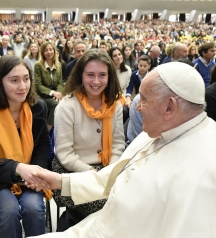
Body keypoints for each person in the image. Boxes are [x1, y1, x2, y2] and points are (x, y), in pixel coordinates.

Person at [29, 62, 216, 238]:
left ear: (169, 107)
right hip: (97, 226)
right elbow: (115, 175)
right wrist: (60, 181)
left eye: (144, 99)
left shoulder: (205, 171)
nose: (137, 106)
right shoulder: (157, 131)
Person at [0, 55, 52, 238]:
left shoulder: (38, 107)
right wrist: (17, 168)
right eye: (14, 80)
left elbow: (43, 146)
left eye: (26, 79)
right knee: (8, 211)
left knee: (33, 208)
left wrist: (34, 172)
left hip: (30, 176)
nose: (23, 86)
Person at [52, 49, 125, 228]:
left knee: (130, 202)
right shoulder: (67, 107)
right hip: (72, 171)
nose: (96, 81)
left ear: (109, 77)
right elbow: (65, 154)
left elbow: (117, 144)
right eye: (90, 75)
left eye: (102, 75)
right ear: (80, 76)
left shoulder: (115, 105)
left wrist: (110, 172)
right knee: (108, 207)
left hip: (107, 169)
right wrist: (94, 174)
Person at [34, 41, 64, 129]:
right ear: (42, 52)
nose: (49, 52)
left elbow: (60, 82)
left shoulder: (58, 65)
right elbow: (38, 85)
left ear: (54, 51)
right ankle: (48, 130)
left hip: (54, 94)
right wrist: (52, 93)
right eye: (46, 50)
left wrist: (58, 93)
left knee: (63, 102)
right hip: (42, 95)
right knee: (56, 104)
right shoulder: (38, 65)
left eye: (51, 49)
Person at [109, 47, 131, 122]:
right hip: (110, 98)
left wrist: (127, 98)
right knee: (124, 111)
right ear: (111, 58)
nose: (118, 57)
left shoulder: (127, 70)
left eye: (119, 54)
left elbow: (125, 87)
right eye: (115, 56)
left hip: (121, 96)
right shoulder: (108, 71)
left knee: (130, 109)